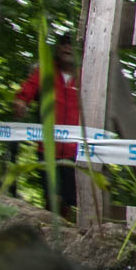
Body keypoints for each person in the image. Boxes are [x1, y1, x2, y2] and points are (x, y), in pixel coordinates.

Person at [12, 32, 81, 218]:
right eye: (64, 43)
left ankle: (62, 237)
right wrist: (21, 102)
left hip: (76, 152)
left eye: (71, 44)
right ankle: (52, 235)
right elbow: (27, 90)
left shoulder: (86, 77)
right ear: (57, 48)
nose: (67, 48)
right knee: (53, 199)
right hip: (48, 149)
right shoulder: (45, 71)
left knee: (69, 203)